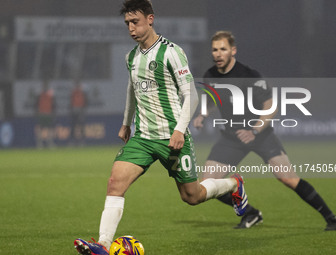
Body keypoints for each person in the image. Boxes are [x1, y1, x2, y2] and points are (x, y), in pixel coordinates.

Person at [73, 2, 249, 255]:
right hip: (143, 138)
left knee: (192, 196)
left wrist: (179, 130)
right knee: (115, 183)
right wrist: (126, 123)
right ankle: (102, 244)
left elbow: (192, 95)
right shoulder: (131, 57)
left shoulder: (171, 52)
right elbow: (131, 90)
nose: (131, 29)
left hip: (172, 139)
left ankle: (233, 184)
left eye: (135, 22)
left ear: (150, 19)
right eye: (127, 24)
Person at [193, 30, 336, 230]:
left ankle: (332, 219)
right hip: (231, 138)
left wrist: (254, 131)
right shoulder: (210, 75)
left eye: (223, 49)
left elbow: (271, 105)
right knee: (207, 184)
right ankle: (251, 213)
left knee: (288, 179)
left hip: (261, 136)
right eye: (215, 50)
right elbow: (213, 101)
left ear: (233, 50)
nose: (218, 54)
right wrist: (203, 115)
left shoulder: (249, 75)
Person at [35, 80, 55, 148]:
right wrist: (37, 112)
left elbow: (53, 104)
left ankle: (50, 142)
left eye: (46, 85)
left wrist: (53, 112)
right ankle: (39, 143)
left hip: (48, 113)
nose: (45, 87)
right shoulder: (40, 95)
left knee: (50, 129)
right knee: (40, 129)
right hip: (42, 113)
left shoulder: (50, 95)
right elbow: (36, 104)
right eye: (44, 85)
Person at [70, 80, 87, 146]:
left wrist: (83, 109)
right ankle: (72, 141)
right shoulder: (73, 93)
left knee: (81, 126)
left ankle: (82, 141)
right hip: (74, 110)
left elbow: (85, 102)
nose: (77, 87)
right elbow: (71, 102)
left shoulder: (82, 93)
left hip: (80, 110)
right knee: (73, 126)